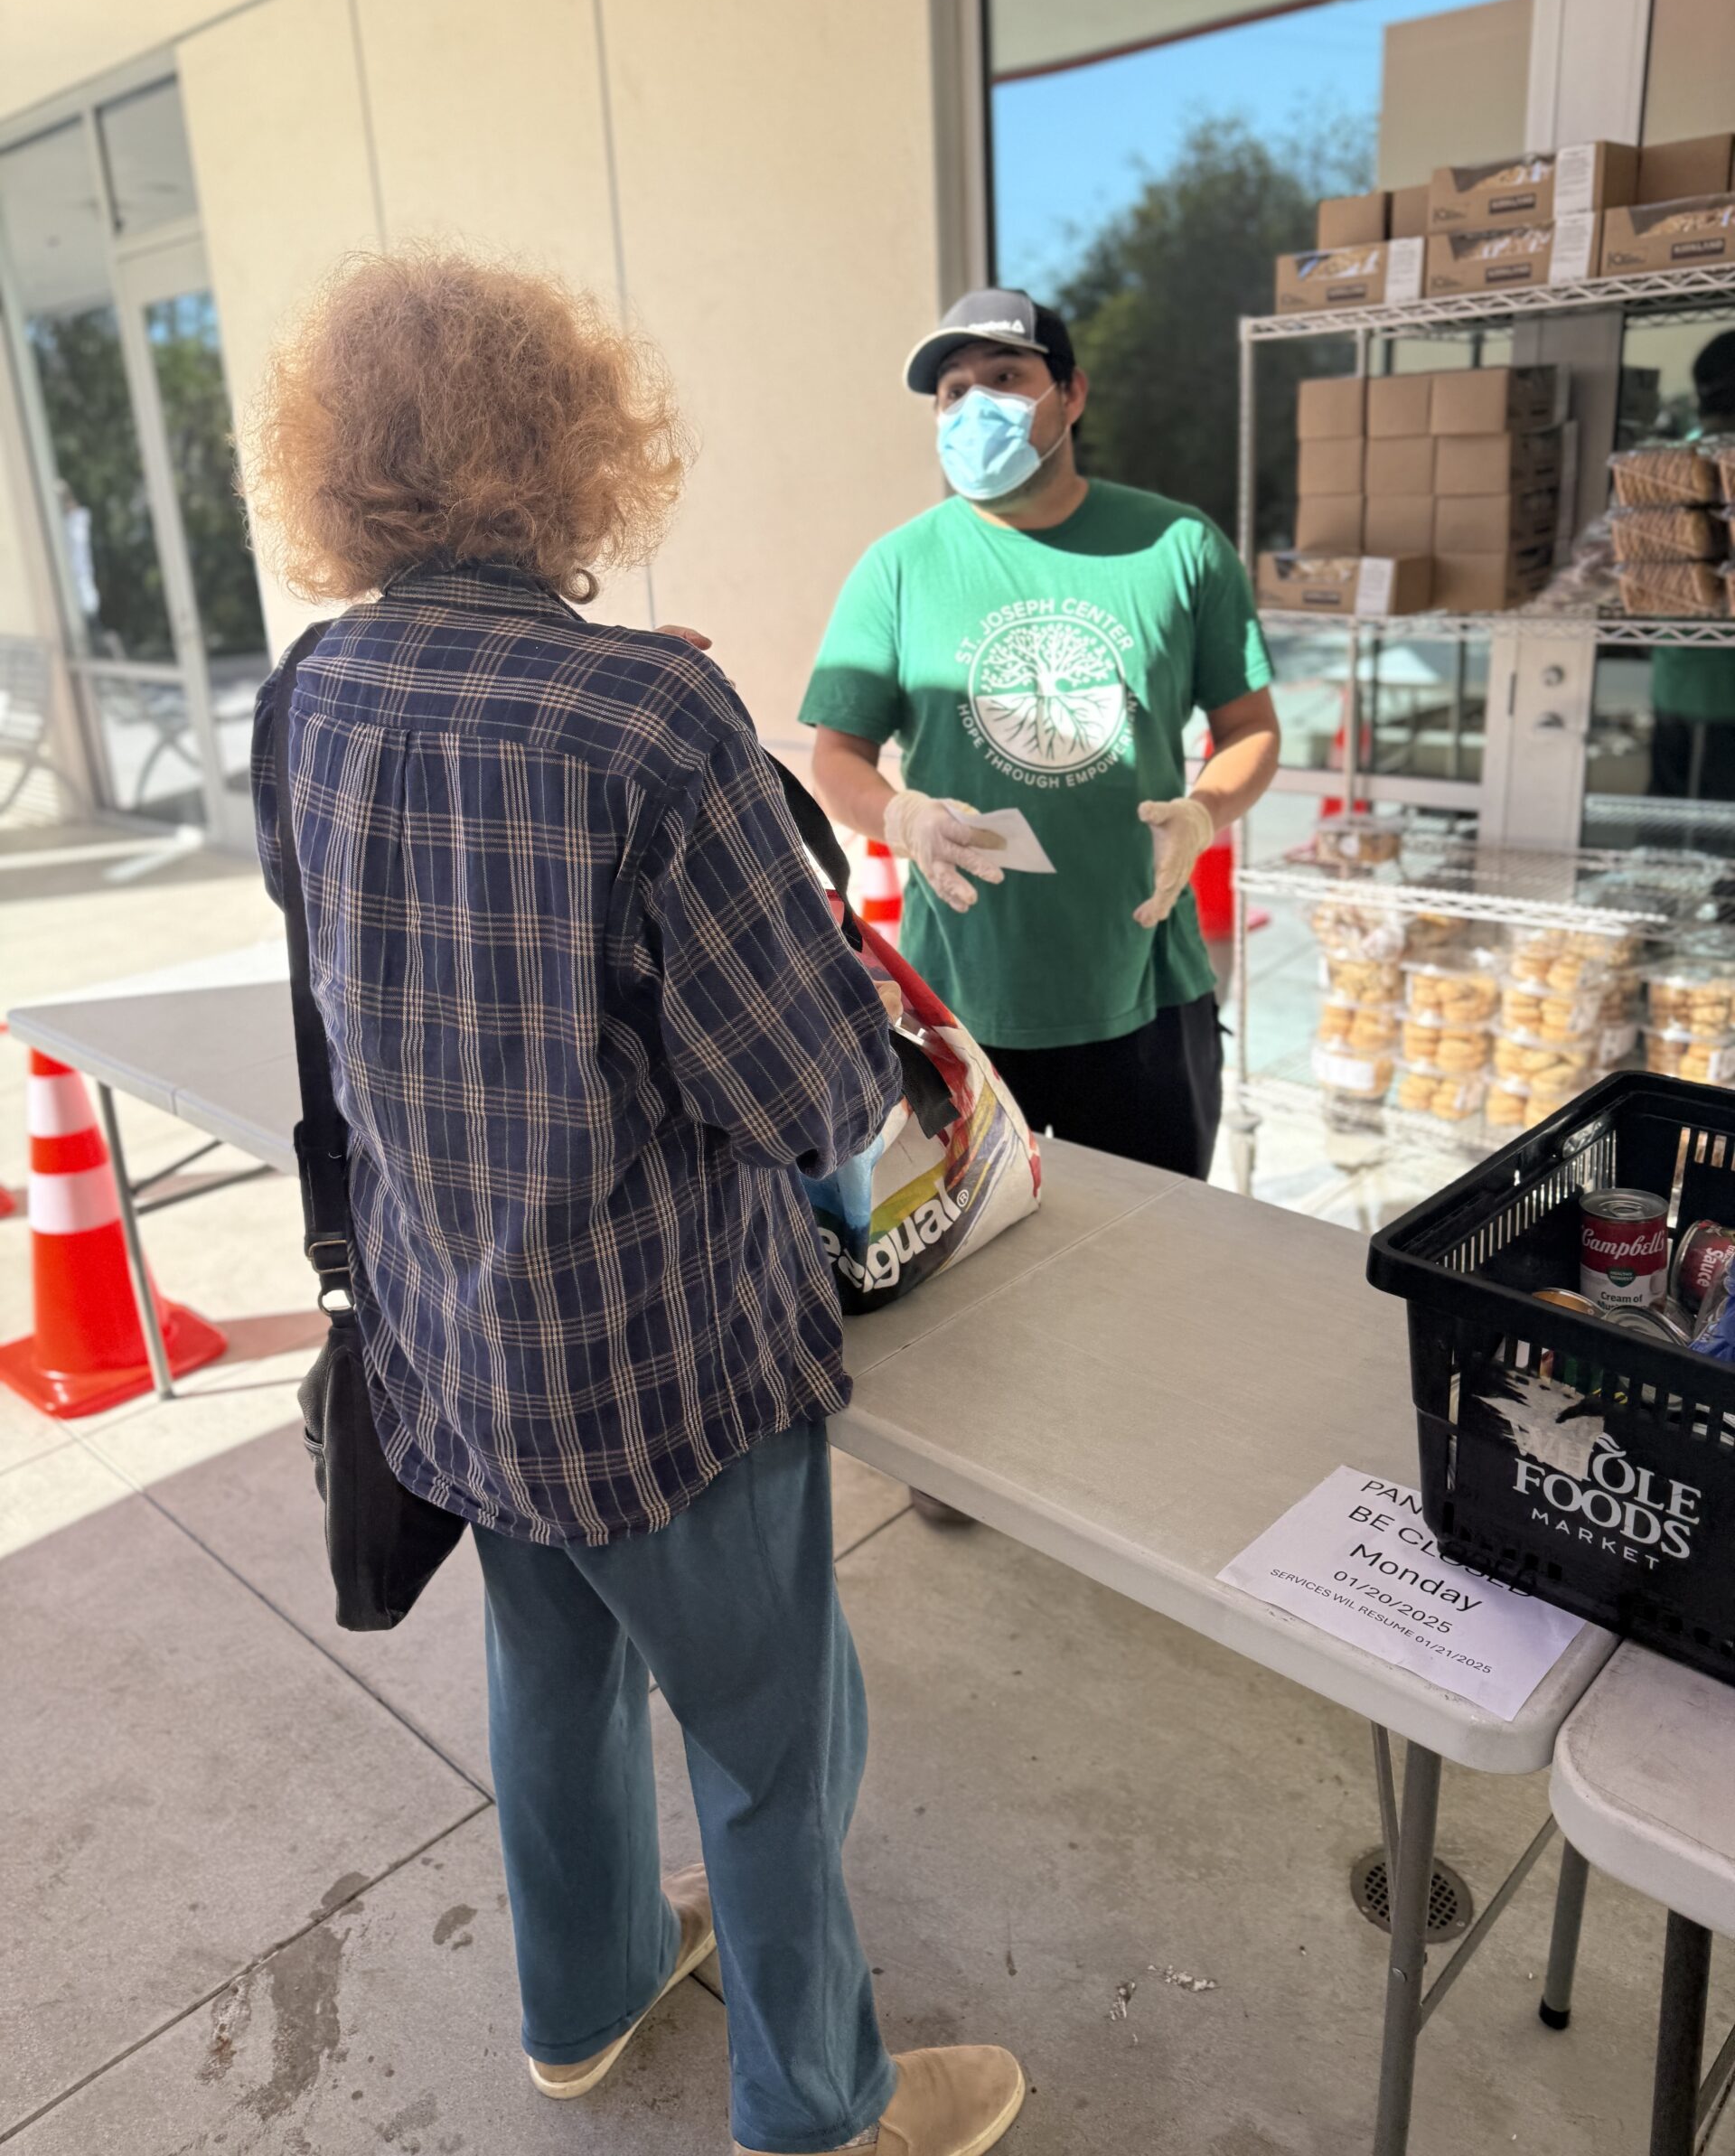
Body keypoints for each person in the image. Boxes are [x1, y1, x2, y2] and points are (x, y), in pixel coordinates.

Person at [244, 248, 1026, 2156]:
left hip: (456, 1337)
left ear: (342, 468)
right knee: (768, 1743)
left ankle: (581, 1996)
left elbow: (341, 982)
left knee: (553, 1678)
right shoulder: (650, 721)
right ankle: (821, 2106)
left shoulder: (313, 689)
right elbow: (815, 1097)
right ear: (577, 453)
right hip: (664, 1360)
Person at [802, 287, 1279, 1182]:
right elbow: (838, 754)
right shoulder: (898, 568)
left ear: (1073, 393)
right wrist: (900, 817)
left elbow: (1249, 727)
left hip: (1145, 989)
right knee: (985, 1287)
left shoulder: (1179, 546)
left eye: (1006, 377)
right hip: (965, 997)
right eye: (953, 391)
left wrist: (1206, 811)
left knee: (1149, 1258)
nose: (974, 404)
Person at [1648, 328, 1735, 801]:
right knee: (1709, 842)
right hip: (1713, 691)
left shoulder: (1672, 467)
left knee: (1677, 844)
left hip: (1685, 683)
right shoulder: (1714, 467)